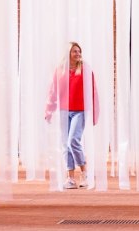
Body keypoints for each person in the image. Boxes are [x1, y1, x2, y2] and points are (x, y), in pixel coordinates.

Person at [45, 42, 100, 189]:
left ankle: (85, 173)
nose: (77, 54)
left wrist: (94, 113)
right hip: (64, 110)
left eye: (79, 51)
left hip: (80, 111)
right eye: (74, 51)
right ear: (68, 53)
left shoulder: (85, 69)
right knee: (65, 145)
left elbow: (93, 91)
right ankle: (70, 178)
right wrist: (49, 110)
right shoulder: (60, 70)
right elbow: (53, 91)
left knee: (73, 141)